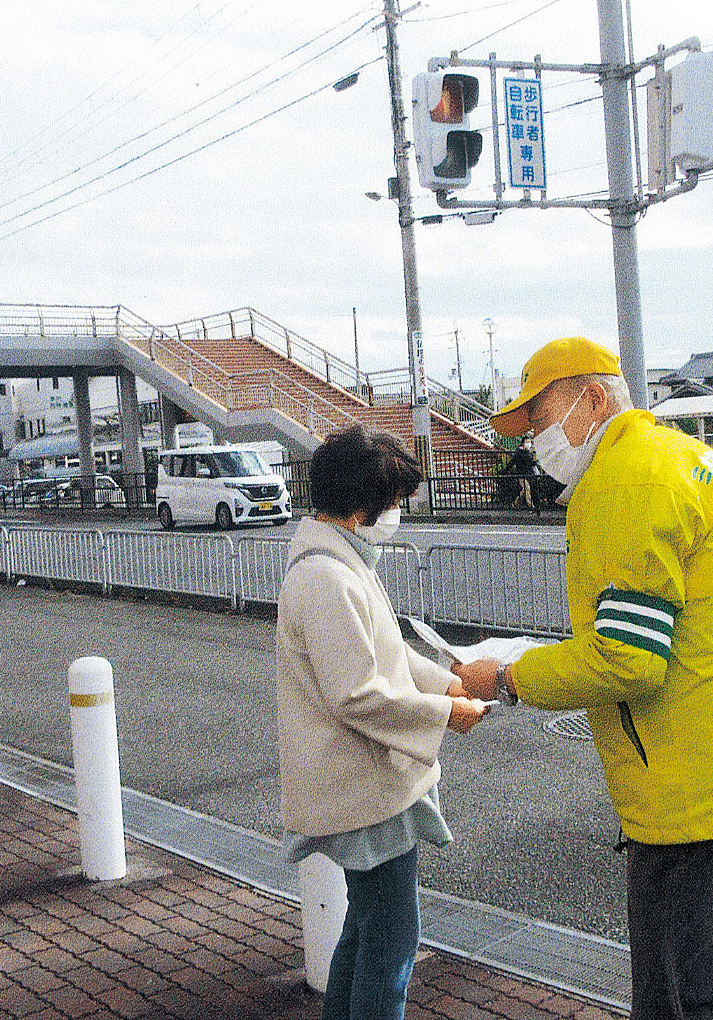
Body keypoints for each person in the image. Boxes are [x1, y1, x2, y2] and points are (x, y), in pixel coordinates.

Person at [454, 337, 713, 1020]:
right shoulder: (697, 462)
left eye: (539, 417)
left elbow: (627, 658)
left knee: (671, 1004)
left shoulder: (623, 483)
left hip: (688, 793)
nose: (533, 440)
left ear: (591, 399)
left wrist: (506, 676)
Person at [276, 425, 485, 1020]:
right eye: (395, 504)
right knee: (392, 939)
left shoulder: (338, 564)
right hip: (363, 790)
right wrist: (449, 711)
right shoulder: (328, 578)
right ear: (363, 508)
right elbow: (359, 694)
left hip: (362, 786)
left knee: (367, 930)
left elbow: (386, 651)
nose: (398, 516)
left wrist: (449, 680)